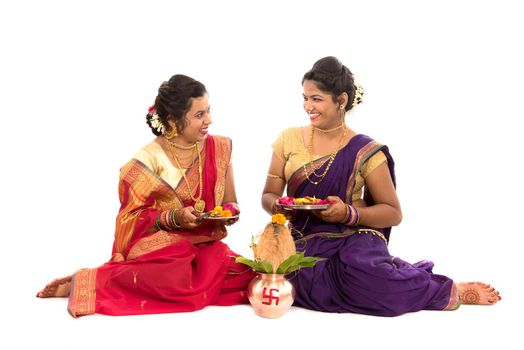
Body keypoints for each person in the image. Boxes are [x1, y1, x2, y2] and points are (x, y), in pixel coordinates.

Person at [261, 56, 501, 316]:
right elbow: (268, 194)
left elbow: (392, 212)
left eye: (316, 99)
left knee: (368, 278)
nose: (308, 106)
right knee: (287, 276)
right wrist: (278, 206)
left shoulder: (365, 150)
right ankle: (397, 271)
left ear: (341, 100)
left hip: (352, 238)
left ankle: (443, 289)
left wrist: (348, 213)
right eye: (305, 98)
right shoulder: (288, 139)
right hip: (303, 239)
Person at [37, 74, 254, 317]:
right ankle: (90, 282)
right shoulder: (148, 159)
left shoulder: (220, 147)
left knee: (249, 274)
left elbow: (230, 202)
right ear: (172, 121)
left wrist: (229, 213)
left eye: (208, 111)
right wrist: (175, 218)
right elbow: (129, 220)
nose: (209, 120)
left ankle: (175, 281)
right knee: (174, 270)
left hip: (205, 245)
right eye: (199, 115)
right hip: (164, 249)